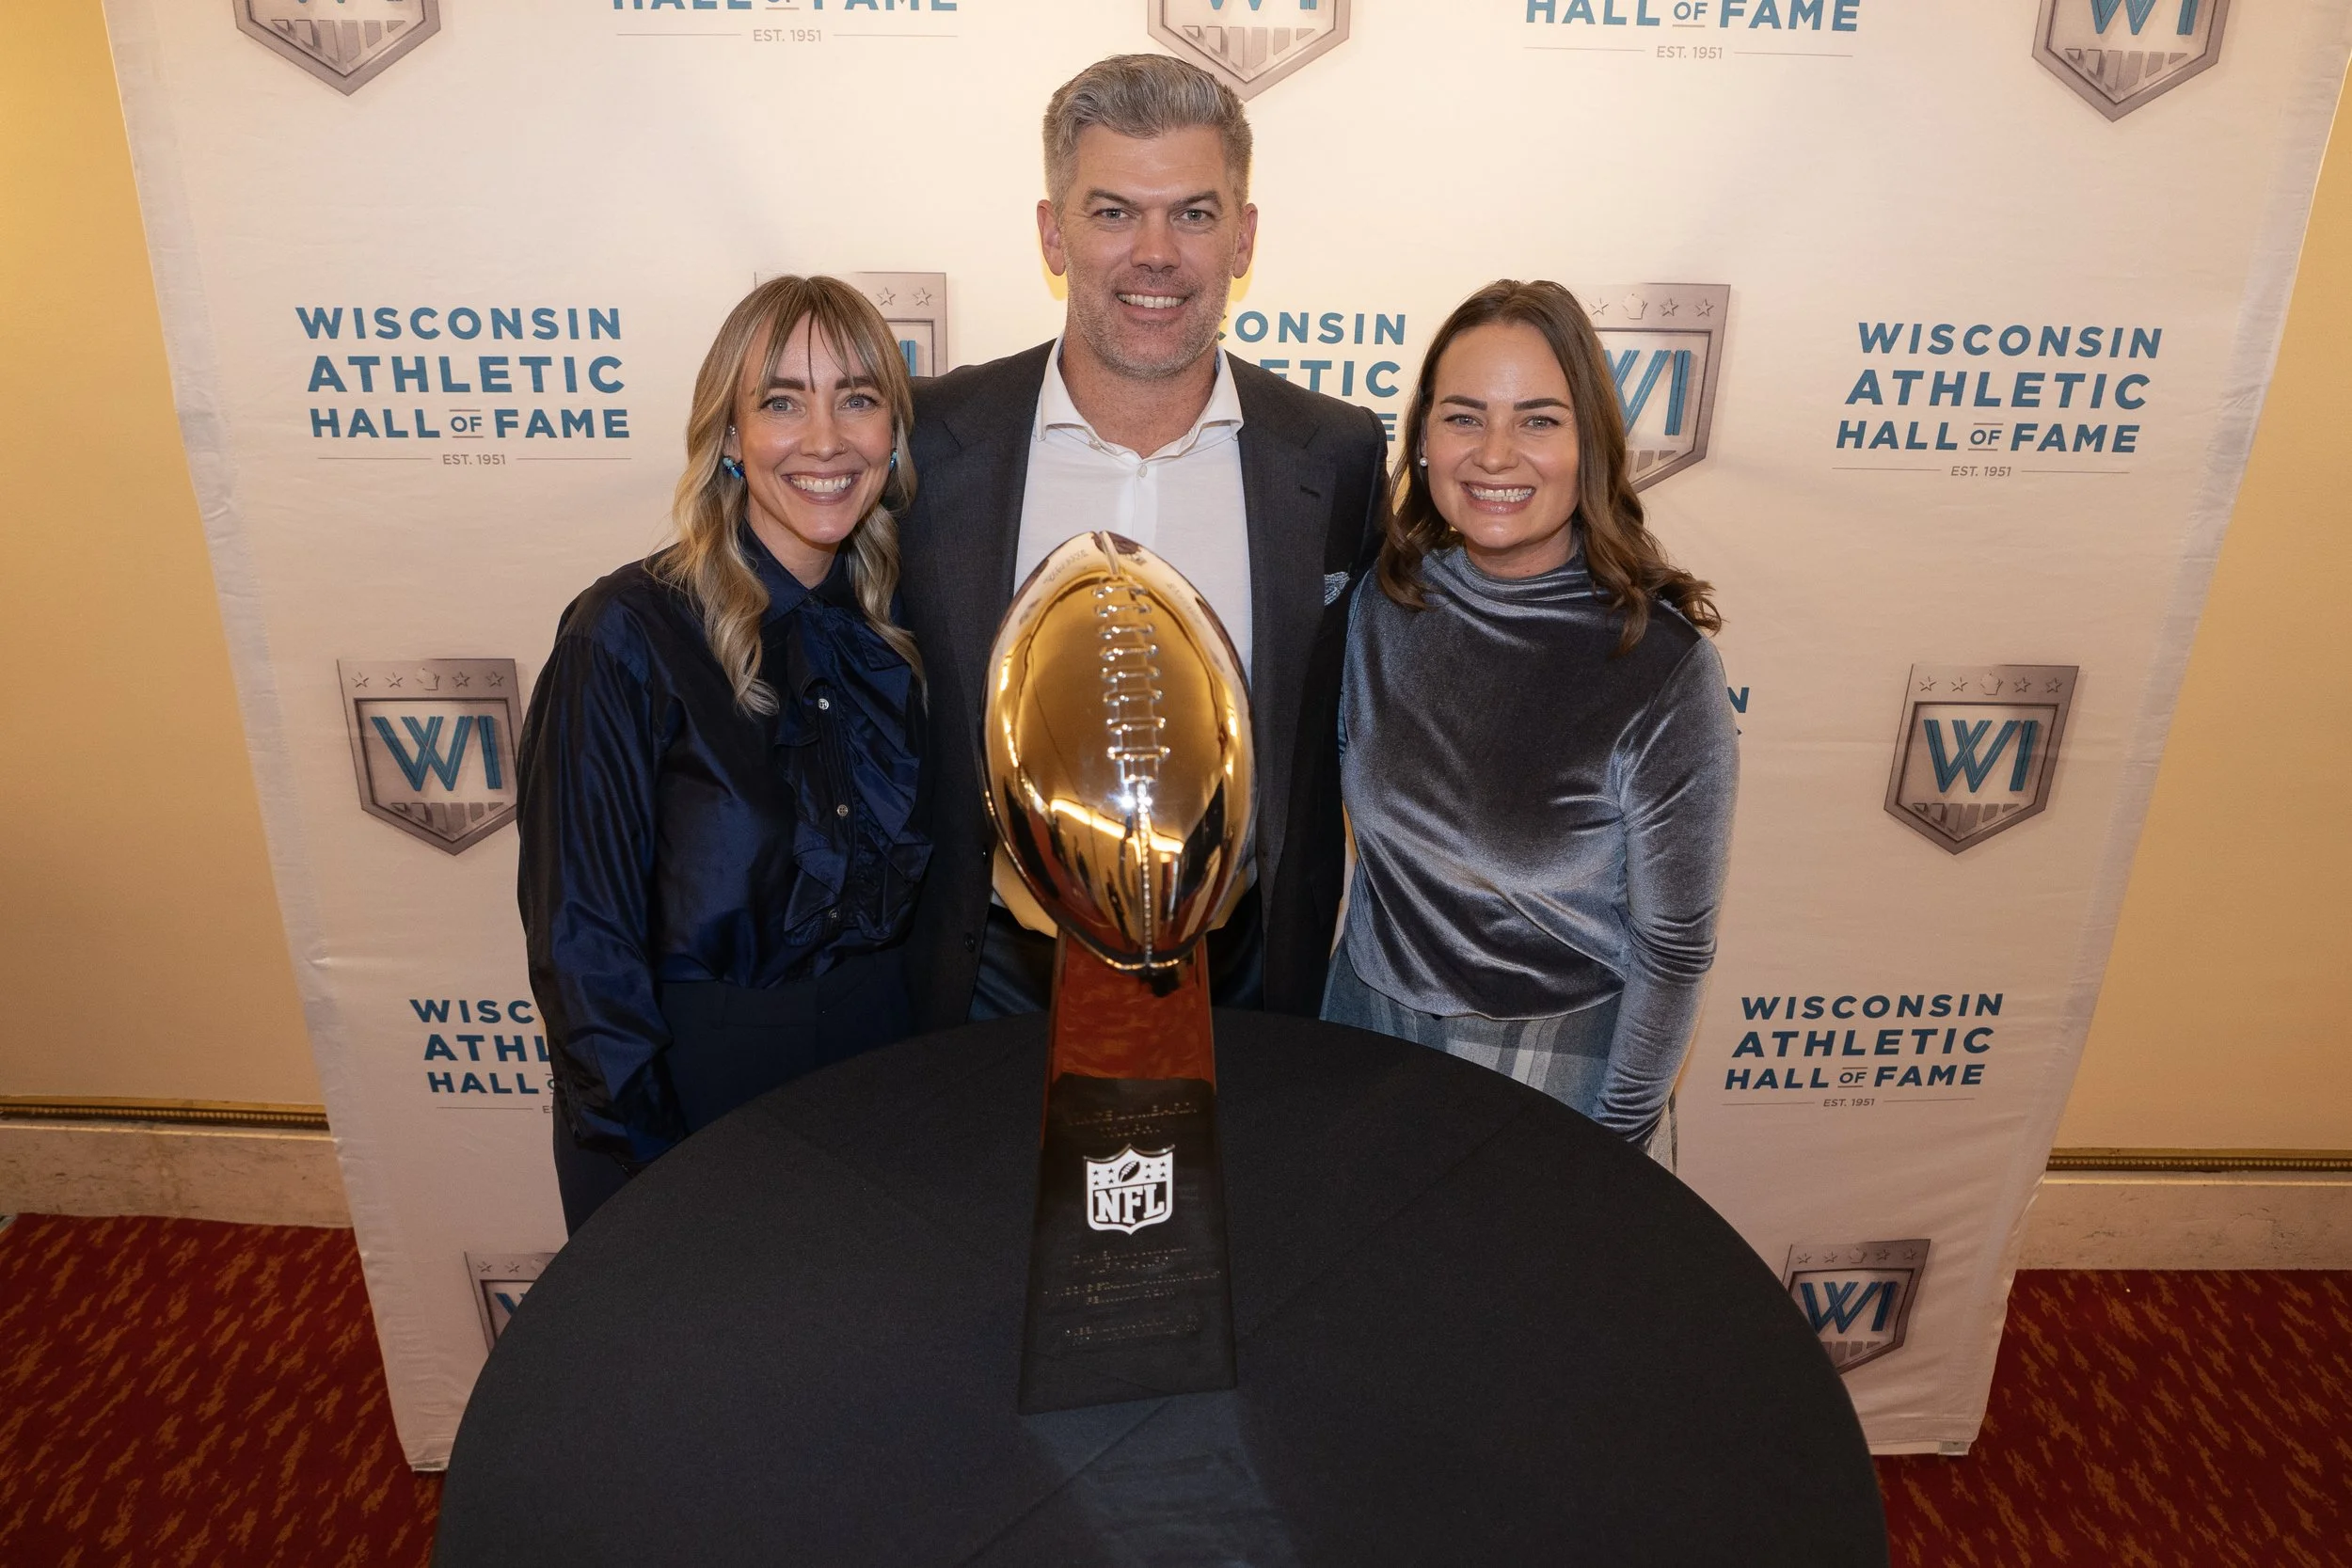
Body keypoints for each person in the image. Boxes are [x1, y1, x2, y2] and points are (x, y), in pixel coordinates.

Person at [895, 53, 1388, 1030]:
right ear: (1052, 232)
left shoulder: (1334, 453)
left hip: (1244, 983)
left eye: (1194, 214)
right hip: (988, 983)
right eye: (1113, 211)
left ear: (1243, 238)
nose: (1154, 253)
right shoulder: (928, 442)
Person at [517, 276, 930, 1232]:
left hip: (888, 1072)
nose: (824, 438)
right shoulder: (625, 632)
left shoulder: (910, 627)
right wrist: (654, 1166)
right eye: (781, 401)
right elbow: (583, 941)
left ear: (892, 436)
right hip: (689, 1090)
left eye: (857, 398)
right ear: (730, 437)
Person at [1323, 279, 1739, 1146]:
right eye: (1464, 416)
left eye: (1539, 420)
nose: (1495, 454)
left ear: (1591, 442)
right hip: (1362, 1027)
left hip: (1553, 1072)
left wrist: (1608, 1148)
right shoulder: (1379, 607)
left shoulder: (1659, 670)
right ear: (1424, 439)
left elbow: (1674, 955)